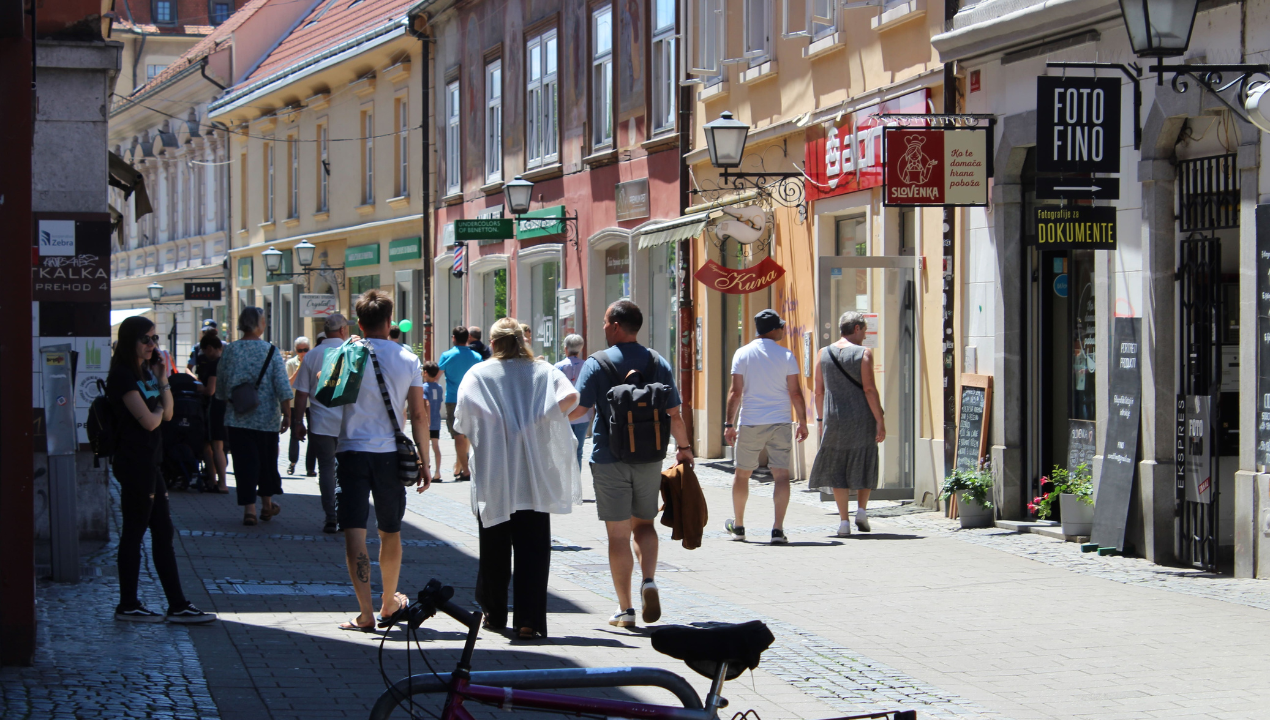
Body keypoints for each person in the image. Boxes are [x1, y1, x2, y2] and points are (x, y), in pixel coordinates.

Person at [450, 317, 581, 639]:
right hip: (533, 474)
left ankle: (494, 613)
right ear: (523, 340)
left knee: (493, 548)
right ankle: (529, 620)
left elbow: (462, 418)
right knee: (533, 550)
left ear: (493, 343)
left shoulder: (479, 374)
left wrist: (495, 424)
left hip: (495, 472)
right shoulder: (543, 370)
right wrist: (539, 418)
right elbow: (571, 396)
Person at [570, 300, 693, 629]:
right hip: (650, 457)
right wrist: (684, 449)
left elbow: (580, 410)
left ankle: (625, 610)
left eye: (605, 321)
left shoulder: (596, 364)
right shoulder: (657, 361)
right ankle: (649, 580)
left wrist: (545, 422)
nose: (603, 327)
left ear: (615, 325)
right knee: (645, 526)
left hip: (609, 458)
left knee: (617, 537)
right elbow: (675, 413)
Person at [108, 316, 217, 624]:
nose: (152, 345)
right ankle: (131, 603)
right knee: (134, 532)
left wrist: (162, 378)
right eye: (146, 339)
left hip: (150, 461)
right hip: (134, 463)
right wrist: (157, 406)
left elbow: (167, 413)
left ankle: (176, 604)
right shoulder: (122, 376)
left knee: (162, 531)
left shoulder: (144, 372)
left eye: (154, 339)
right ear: (130, 341)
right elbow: (150, 420)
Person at [336, 289, 432, 631]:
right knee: (390, 530)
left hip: (351, 451)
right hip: (390, 455)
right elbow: (419, 415)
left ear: (359, 323)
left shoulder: (348, 352)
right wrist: (426, 460)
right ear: (390, 322)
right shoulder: (407, 358)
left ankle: (364, 614)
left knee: (354, 532)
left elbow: (328, 397)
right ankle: (388, 602)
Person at [723, 310, 809, 545]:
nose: (783, 330)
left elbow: (736, 392)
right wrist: (802, 422)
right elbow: (795, 392)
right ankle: (777, 530)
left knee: (742, 474)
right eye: (781, 326)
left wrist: (729, 424)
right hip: (780, 421)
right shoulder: (786, 355)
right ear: (773, 329)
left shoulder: (742, 354)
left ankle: (739, 526)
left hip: (750, 421)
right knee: (781, 475)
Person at [810, 310, 886, 536]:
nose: (865, 335)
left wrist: (821, 419)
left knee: (837, 466)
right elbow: (869, 389)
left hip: (834, 418)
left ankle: (844, 522)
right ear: (856, 329)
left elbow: (818, 391)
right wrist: (880, 420)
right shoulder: (863, 353)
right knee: (864, 459)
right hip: (861, 416)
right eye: (864, 330)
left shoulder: (823, 353)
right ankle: (861, 511)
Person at [216, 306, 293, 526]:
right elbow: (282, 386)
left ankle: (249, 510)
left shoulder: (230, 350)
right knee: (266, 463)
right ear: (258, 325)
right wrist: (288, 415)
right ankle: (267, 505)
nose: (265, 324)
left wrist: (227, 399)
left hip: (237, 417)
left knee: (244, 464)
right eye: (263, 320)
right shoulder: (270, 350)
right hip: (266, 419)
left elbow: (220, 385)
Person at [293, 314, 351, 533]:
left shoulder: (312, 355)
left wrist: (298, 421)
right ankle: (347, 515)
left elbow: (301, 395)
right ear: (343, 330)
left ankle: (331, 516)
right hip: (348, 423)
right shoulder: (352, 353)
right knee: (347, 471)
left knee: (326, 468)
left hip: (320, 422)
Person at [438, 326, 483, 482]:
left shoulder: (447, 355)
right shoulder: (476, 357)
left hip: (453, 398)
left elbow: (436, 375)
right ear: (468, 338)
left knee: (458, 435)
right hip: (472, 398)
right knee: (468, 433)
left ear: (453, 338)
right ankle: (460, 466)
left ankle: (465, 470)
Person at [195, 334, 229, 494]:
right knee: (212, 446)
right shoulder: (228, 362)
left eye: (205, 351)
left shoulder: (215, 364)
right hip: (226, 406)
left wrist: (198, 387)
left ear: (209, 348)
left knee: (216, 446)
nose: (204, 355)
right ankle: (214, 480)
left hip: (215, 407)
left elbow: (210, 390)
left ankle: (220, 483)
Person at [554, 334, 592, 468]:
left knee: (563, 450)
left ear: (565, 349)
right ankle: (577, 480)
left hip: (564, 414)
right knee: (579, 450)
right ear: (580, 349)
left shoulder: (557, 367)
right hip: (582, 415)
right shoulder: (587, 366)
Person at [286, 336, 314, 476]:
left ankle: (310, 467)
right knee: (294, 432)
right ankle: (292, 463)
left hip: (310, 403)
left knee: (312, 434)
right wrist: (299, 369)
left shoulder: (313, 362)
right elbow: (288, 383)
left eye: (306, 350)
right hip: (294, 403)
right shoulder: (291, 363)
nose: (303, 353)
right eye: (300, 350)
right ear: (296, 351)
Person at [422, 362, 444, 476]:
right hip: (436, 421)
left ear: (425, 373)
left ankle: (425, 470)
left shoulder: (424, 387)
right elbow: (439, 404)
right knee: (436, 447)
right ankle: (438, 472)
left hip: (427, 422)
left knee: (424, 447)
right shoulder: (439, 388)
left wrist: (427, 420)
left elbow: (426, 404)